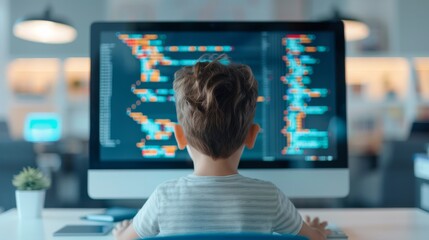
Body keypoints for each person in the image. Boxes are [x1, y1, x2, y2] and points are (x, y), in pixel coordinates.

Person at [113, 55, 330, 240]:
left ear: (179, 137)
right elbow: (312, 238)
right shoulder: (269, 197)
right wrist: (317, 231)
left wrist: (121, 232)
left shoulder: (164, 197)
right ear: (252, 136)